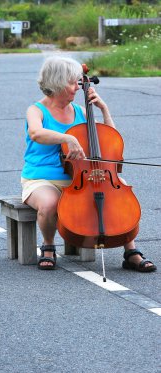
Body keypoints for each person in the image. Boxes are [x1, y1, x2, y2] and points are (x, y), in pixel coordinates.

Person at [21, 56, 157, 271]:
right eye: (73, 82)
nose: (78, 87)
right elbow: (36, 133)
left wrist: (104, 110)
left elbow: (109, 139)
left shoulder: (81, 111)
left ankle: (131, 251)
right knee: (49, 204)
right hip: (42, 178)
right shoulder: (36, 110)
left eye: (78, 81)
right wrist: (67, 138)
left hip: (80, 176)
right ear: (57, 82)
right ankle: (48, 246)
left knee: (120, 188)